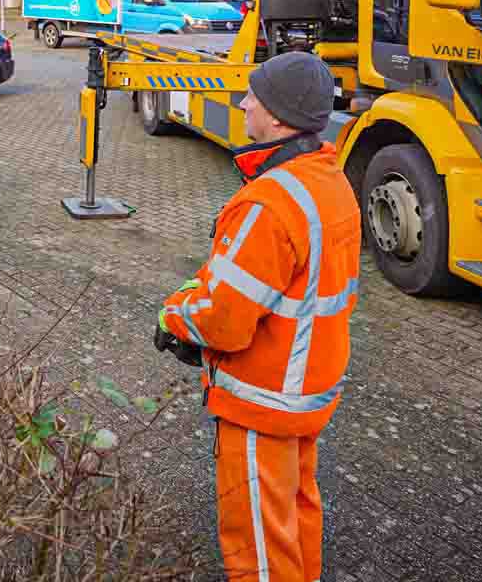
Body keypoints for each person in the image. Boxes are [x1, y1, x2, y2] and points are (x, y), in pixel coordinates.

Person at [155, 51, 360, 582]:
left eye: (254, 96)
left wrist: (175, 315)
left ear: (277, 116)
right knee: (294, 512)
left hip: (261, 401)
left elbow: (224, 321)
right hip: (307, 389)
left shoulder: (268, 204)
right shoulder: (328, 181)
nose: (244, 102)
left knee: (258, 550)